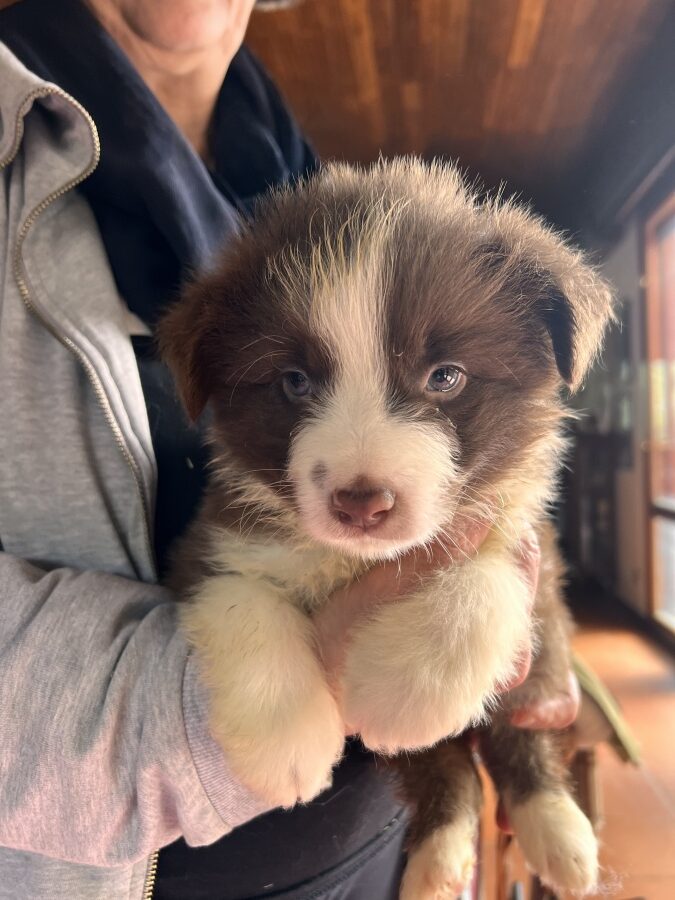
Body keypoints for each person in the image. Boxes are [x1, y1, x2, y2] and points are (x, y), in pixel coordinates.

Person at [0, 1, 578, 898]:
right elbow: (230, 578)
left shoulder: (289, 172)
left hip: (364, 859)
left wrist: (506, 610)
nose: (362, 471)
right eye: (299, 385)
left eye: (439, 384)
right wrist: (215, 708)